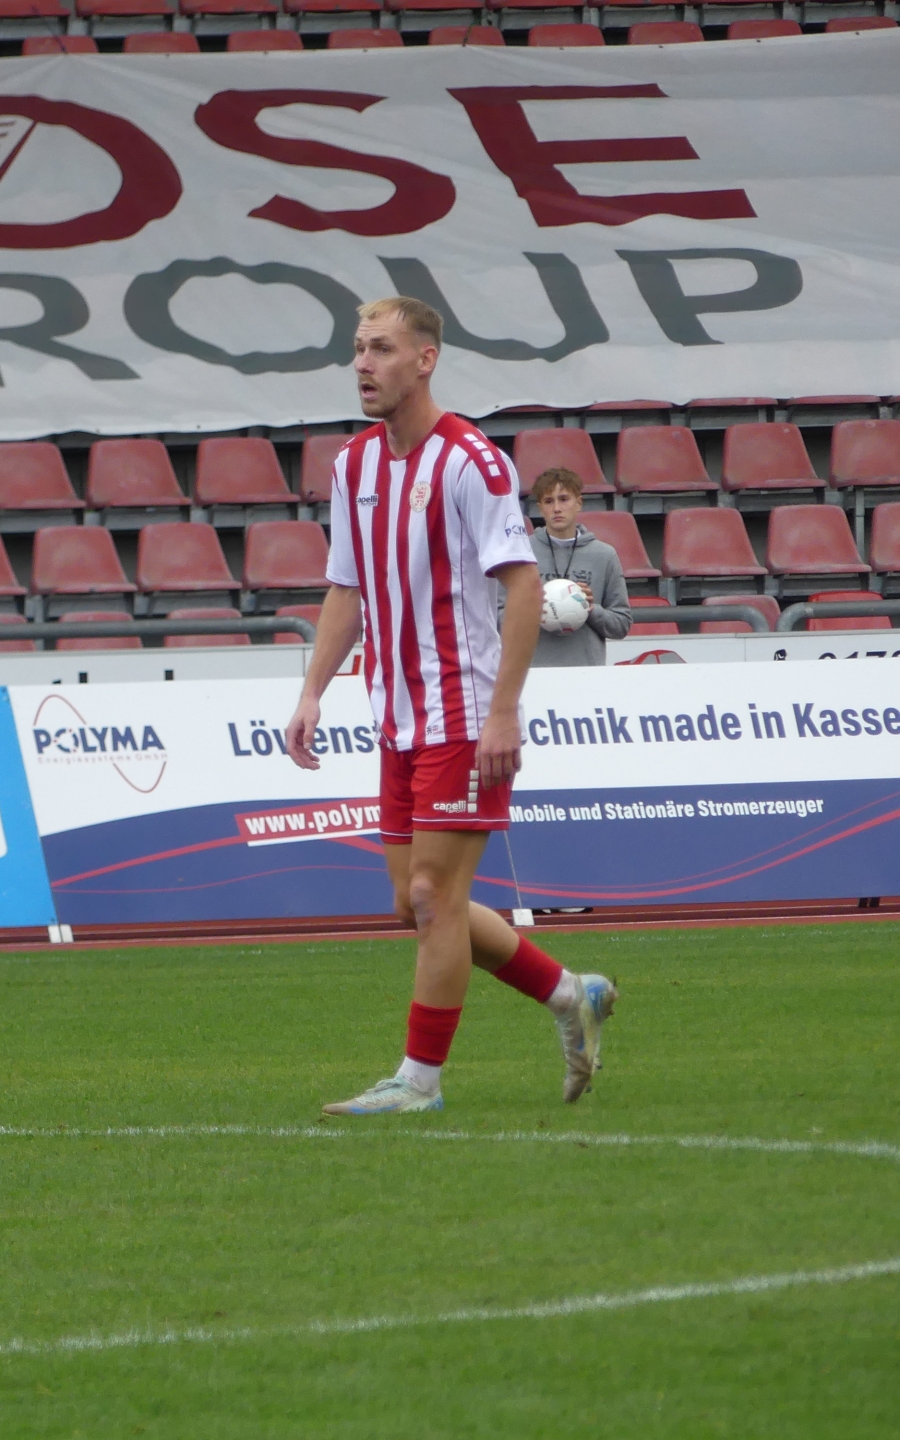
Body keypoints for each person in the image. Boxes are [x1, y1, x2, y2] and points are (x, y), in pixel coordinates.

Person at [285, 299, 617, 1116]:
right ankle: (569, 993)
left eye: (381, 349)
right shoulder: (353, 465)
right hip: (396, 715)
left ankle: (418, 1082)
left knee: (435, 896)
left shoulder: (472, 461)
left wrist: (504, 711)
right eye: (358, 348)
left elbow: (522, 586)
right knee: (415, 903)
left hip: (464, 712)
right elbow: (346, 588)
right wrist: (312, 690)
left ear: (425, 360)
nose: (363, 364)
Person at [527, 466, 632, 668]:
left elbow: (621, 625)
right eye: (549, 501)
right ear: (540, 508)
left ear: (579, 503)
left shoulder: (604, 555)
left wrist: (590, 609)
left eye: (563, 499)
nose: (556, 508)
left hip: (586, 674)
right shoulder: (522, 553)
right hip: (534, 674)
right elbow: (497, 618)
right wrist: (529, 610)